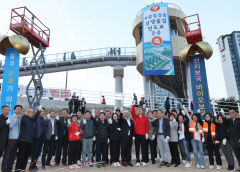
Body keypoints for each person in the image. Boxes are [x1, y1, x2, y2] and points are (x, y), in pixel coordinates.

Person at [2, 105, 22, 172]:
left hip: (17, 140)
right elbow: (10, 126)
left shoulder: (20, 118)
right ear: (14, 110)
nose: (19, 110)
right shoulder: (10, 117)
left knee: (13, 156)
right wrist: (16, 118)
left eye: (20, 109)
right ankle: (4, 169)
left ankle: (9, 169)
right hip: (11, 139)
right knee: (7, 156)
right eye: (17, 109)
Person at [30, 106, 46, 171]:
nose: (42, 112)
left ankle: (34, 164)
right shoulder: (36, 118)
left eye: (43, 111)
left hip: (41, 138)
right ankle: (31, 166)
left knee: (38, 152)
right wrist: (38, 111)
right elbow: (34, 117)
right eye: (41, 111)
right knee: (35, 152)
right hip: (36, 138)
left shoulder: (43, 119)